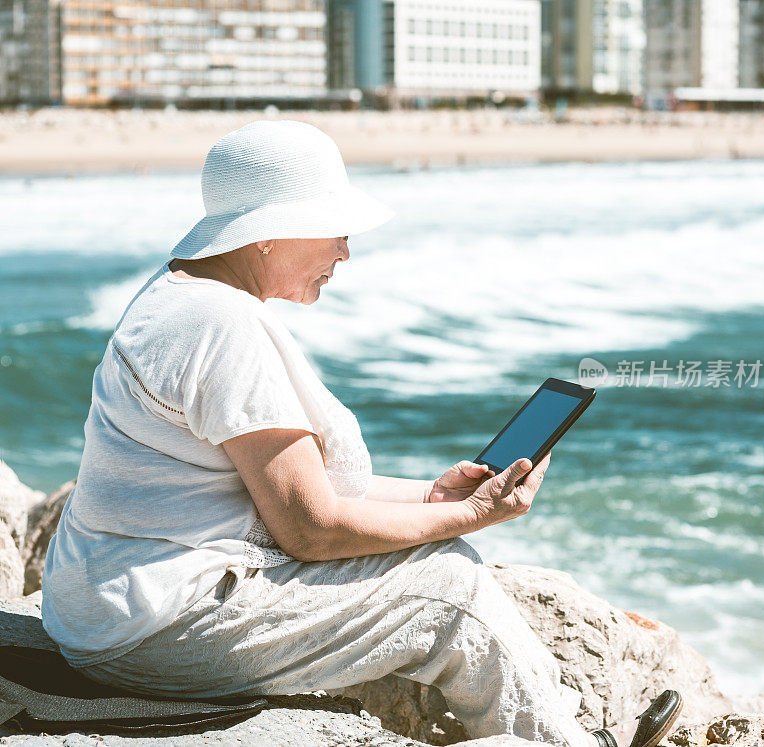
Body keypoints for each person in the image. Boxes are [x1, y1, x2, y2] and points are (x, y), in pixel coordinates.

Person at [41, 120, 682, 746]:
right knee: (450, 583)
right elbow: (310, 528)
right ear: (271, 233)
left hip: (105, 608)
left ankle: (564, 728)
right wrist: (473, 517)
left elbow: (274, 489)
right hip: (155, 628)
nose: (345, 251)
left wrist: (433, 498)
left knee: (438, 555)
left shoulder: (177, 292)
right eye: (334, 230)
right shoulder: (223, 327)